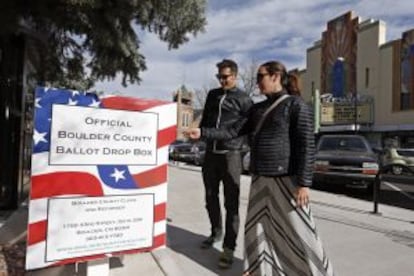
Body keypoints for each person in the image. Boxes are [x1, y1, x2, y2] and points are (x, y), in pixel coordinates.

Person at [185, 60, 334, 276]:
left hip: (286, 181)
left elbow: (306, 146)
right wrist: (203, 133)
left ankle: (316, 272)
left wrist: (304, 184)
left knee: (299, 232)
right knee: (256, 229)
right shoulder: (257, 109)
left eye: (260, 77)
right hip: (260, 179)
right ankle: (256, 269)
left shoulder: (296, 105)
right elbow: (232, 131)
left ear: (275, 76)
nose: (257, 83)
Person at [195, 59, 253, 269]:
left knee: (231, 204)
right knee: (210, 197)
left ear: (235, 76)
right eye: (219, 76)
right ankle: (216, 232)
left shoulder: (244, 100)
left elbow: (242, 130)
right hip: (210, 155)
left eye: (225, 76)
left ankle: (229, 248)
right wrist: (200, 135)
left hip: (231, 156)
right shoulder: (212, 95)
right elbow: (205, 123)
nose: (222, 80)